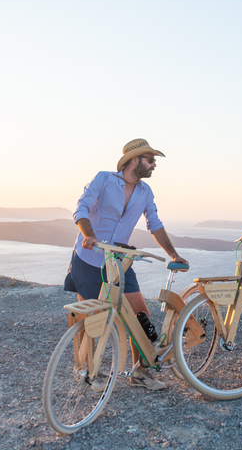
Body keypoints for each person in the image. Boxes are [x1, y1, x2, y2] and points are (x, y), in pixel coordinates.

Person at [64, 138, 188, 391]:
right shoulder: (103, 179)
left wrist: (173, 254)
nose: (154, 165)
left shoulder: (145, 192)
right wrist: (89, 236)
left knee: (140, 315)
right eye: (150, 160)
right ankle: (85, 369)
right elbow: (82, 208)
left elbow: (154, 224)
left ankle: (140, 372)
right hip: (89, 258)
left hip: (121, 262)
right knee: (90, 318)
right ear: (135, 160)